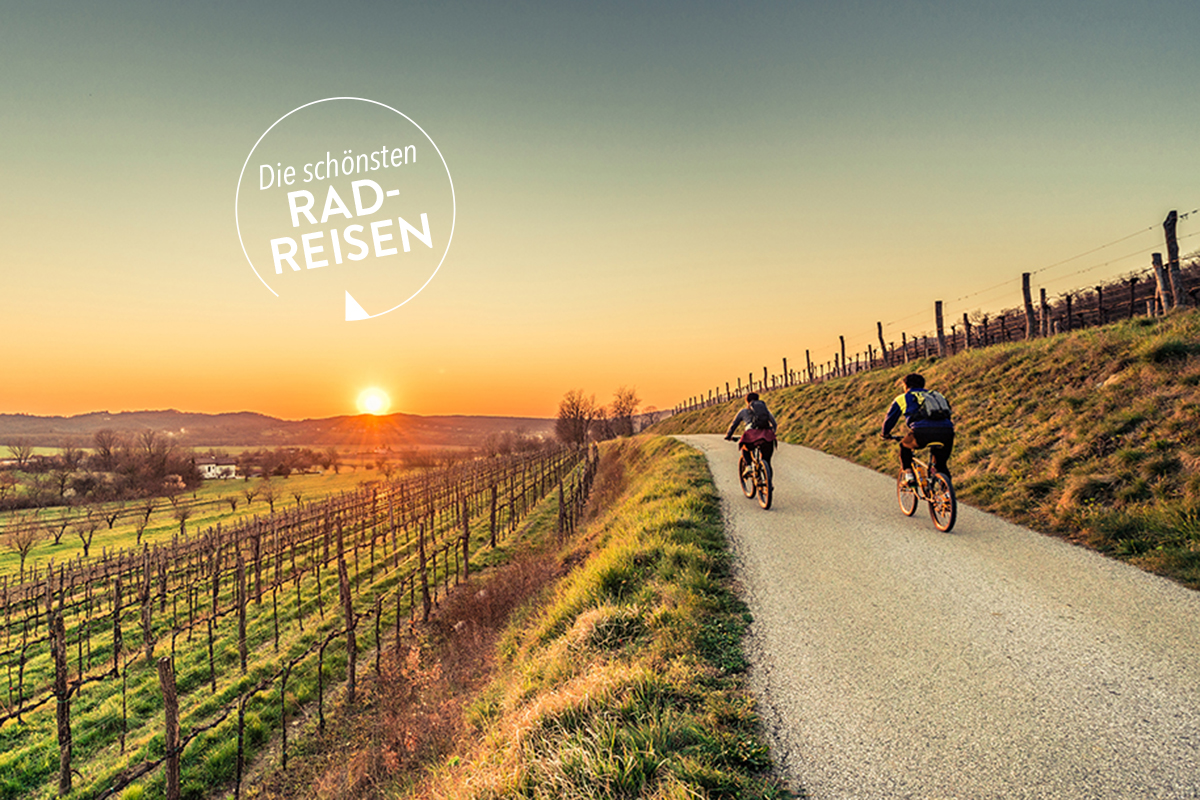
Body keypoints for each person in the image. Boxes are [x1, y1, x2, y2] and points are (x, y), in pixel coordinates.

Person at [881, 373, 955, 485]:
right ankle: (947, 494)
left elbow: (890, 419)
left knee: (904, 446)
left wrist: (885, 434)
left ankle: (909, 475)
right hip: (947, 432)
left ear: (905, 385)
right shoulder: (936, 396)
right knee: (941, 464)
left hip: (921, 432)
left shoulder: (903, 398)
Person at [724, 392, 778, 485]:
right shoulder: (765, 411)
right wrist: (771, 432)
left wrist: (729, 435)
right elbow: (774, 424)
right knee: (767, 462)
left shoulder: (743, 411)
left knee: (744, 447)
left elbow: (734, 425)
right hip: (767, 435)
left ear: (747, 401)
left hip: (752, 436)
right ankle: (769, 484)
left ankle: (748, 465)